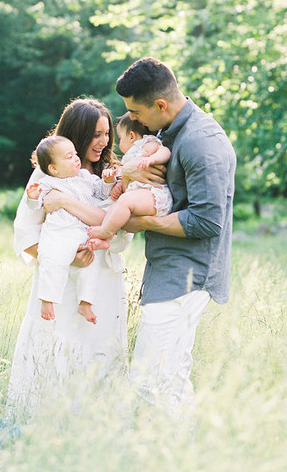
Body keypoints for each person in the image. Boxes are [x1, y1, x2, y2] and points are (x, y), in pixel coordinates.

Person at [115, 57, 236, 417]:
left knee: (152, 380)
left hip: (187, 277)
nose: (134, 121)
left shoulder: (201, 141)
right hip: (168, 271)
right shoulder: (168, 133)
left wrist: (143, 222)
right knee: (168, 375)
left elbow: (207, 221)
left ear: (161, 105)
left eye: (136, 112)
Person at [6, 98, 132, 421]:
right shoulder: (45, 178)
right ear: (76, 134)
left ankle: (98, 426)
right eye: (95, 135)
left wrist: (65, 203)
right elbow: (25, 234)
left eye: (106, 134)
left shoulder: (112, 178)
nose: (103, 142)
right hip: (59, 284)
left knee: (99, 351)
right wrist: (66, 259)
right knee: (57, 348)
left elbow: (122, 232)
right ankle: (45, 424)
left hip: (102, 278)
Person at [25, 135, 115, 324]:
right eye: (69, 157)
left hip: (82, 231)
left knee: (91, 264)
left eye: (75, 154)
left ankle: (85, 302)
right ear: (54, 168)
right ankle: (47, 299)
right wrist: (32, 197)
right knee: (52, 261)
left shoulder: (85, 177)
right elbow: (37, 207)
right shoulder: (48, 182)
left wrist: (107, 182)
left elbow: (101, 193)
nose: (76, 158)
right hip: (59, 232)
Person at [86, 112, 172, 250]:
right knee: (114, 209)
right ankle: (107, 240)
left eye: (120, 138)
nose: (118, 143)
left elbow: (165, 151)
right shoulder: (128, 159)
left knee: (124, 203)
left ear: (131, 136)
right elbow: (126, 180)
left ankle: (106, 231)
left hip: (155, 195)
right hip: (141, 197)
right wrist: (118, 186)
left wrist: (152, 159)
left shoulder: (146, 145)